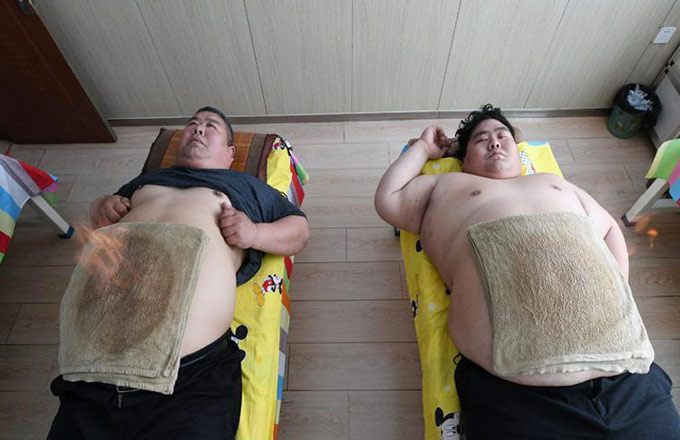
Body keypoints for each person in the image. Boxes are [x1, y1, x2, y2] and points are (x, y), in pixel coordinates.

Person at [374, 104, 680, 438]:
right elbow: (389, 198)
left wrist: (613, 293)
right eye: (481, 139)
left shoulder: (553, 182)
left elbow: (608, 229)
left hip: (625, 378)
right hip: (519, 395)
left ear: (518, 150)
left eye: (502, 135)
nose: (494, 142)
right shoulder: (447, 185)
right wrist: (423, 148)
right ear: (463, 158)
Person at [47, 106, 309, 440]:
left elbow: (299, 230)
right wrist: (101, 205)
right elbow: (102, 225)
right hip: (90, 374)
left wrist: (255, 233)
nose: (198, 129)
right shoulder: (143, 183)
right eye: (192, 124)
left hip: (187, 380)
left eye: (210, 126)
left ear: (231, 153)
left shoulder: (246, 186)